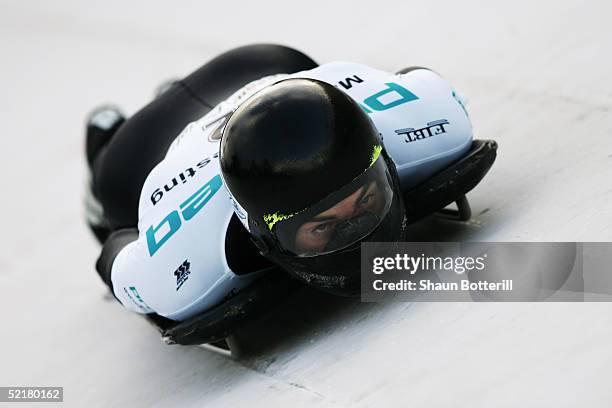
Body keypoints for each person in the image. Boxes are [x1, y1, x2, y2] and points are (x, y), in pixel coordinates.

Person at [86, 44, 495, 327]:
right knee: (115, 192)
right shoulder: (180, 275)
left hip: (259, 69)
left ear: (384, 161)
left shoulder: (431, 127)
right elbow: (117, 254)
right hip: (145, 149)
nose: (356, 233)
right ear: (262, 232)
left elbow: (416, 84)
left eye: (368, 199)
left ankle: (161, 97)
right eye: (324, 225)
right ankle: (105, 139)